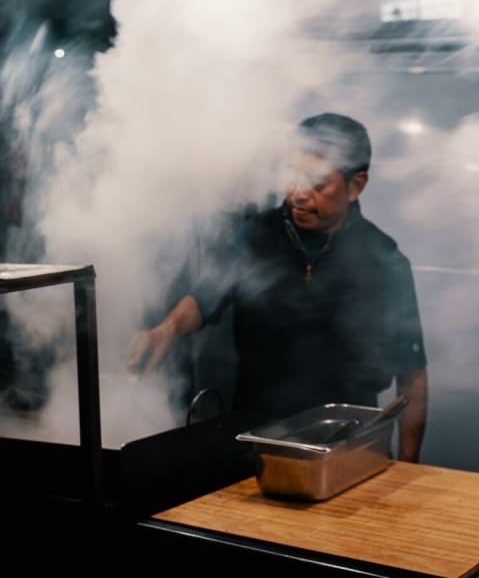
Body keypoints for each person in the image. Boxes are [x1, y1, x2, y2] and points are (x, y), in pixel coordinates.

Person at [129, 113, 428, 462]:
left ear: (355, 185)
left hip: (349, 445)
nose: (299, 194)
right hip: (258, 437)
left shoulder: (385, 261)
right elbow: (204, 297)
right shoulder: (255, 235)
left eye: (317, 183)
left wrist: (410, 469)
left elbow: (412, 377)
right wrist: (166, 329)